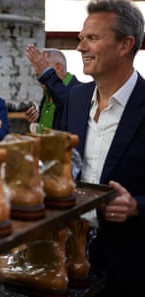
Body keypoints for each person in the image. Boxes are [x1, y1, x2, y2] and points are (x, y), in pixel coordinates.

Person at [61, 1, 145, 296]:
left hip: (130, 266)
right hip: (71, 258)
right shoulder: (75, 99)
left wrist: (137, 206)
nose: (80, 47)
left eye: (92, 38)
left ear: (125, 45)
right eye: (81, 38)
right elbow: (65, 166)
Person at [25, 46, 81, 131]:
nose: (36, 73)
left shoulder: (79, 92)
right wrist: (38, 120)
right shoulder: (48, 92)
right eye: (36, 67)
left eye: (42, 66)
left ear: (58, 67)